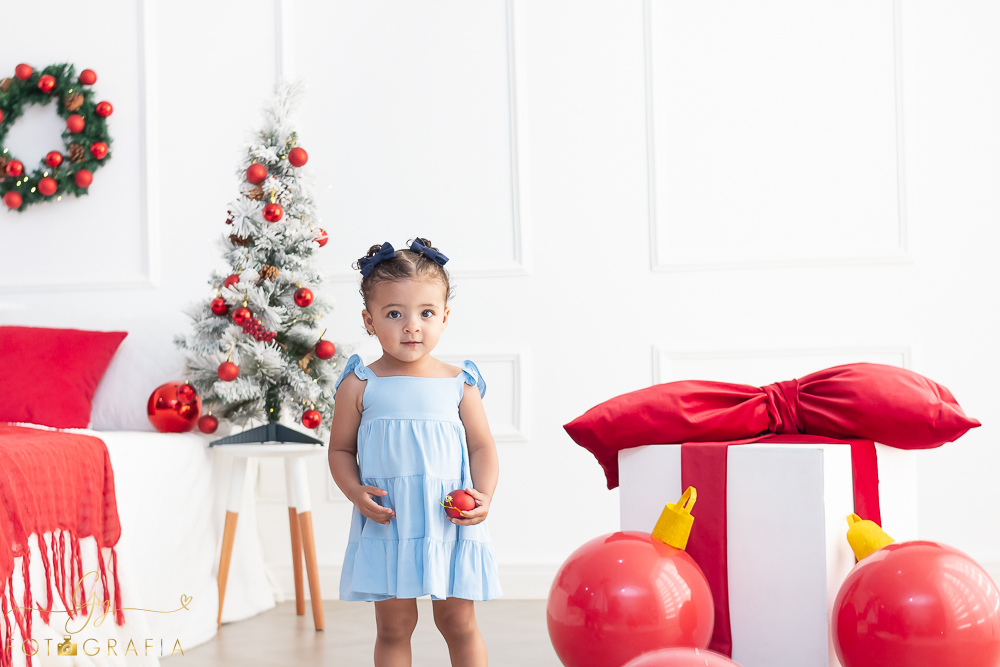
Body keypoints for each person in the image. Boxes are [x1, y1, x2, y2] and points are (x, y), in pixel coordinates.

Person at [328, 237, 502, 667]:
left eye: (426, 313)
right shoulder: (360, 383)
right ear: (369, 321)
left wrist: (484, 496)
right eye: (394, 314)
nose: (412, 326)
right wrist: (354, 491)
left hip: (450, 520)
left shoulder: (458, 383)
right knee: (393, 626)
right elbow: (340, 450)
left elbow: (482, 446)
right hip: (391, 521)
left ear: (444, 317)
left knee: (458, 622)